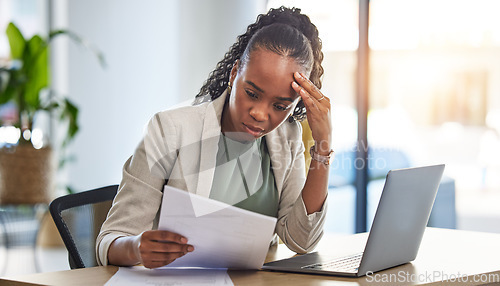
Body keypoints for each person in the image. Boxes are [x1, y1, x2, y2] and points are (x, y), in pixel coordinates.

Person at [96, 6, 332, 269]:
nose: (259, 114)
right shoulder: (170, 129)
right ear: (234, 74)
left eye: (280, 106)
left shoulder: (286, 138)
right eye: (252, 93)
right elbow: (110, 240)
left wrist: (323, 148)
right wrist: (137, 248)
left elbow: (302, 240)